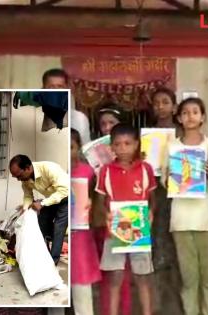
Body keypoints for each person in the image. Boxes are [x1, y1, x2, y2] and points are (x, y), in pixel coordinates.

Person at [95, 123, 157, 315]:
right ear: (111, 147)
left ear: (137, 144)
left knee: (142, 278)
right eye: (118, 144)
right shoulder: (105, 171)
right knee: (115, 277)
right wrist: (105, 214)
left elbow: (152, 199)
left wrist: (151, 212)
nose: (123, 149)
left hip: (139, 229)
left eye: (128, 143)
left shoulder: (145, 169)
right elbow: (99, 201)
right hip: (114, 230)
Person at [169, 97, 208, 315]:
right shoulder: (172, 146)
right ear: (179, 117)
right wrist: (174, 176)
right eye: (186, 112)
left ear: (203, 117)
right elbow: (164, 180)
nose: (190, 116)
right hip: (180, 220)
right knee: (189, 278)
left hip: (207, 219)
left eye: (195, 111)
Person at [94, 102, 132, 315]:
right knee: (107, 274)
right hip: (102, 221)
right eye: (103, 124)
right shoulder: (92, 153)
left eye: (112, 123)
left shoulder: (132, 158)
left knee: (123, 275)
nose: (107, 127)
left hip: (126, 220)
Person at [149, 87, 184, 315]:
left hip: (181, 196)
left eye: (165, 102)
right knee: (160, 250)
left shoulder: (184, 133)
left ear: (173, 106)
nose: (160, 106)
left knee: (180, 253)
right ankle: (162, 305)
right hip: (158, 196)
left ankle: (182, 305)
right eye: (156, 103)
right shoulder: (148, 136)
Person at [9, 155, 68, 265]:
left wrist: (42, 203)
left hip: (65, 198)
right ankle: (43, 253)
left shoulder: (49, 168)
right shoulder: (25, 179)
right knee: (41, 222)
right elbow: (28, 196)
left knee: (58, 229)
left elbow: (64, 191)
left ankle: (52, 262)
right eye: (16, 177)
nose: (18, 179)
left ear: (28, 168)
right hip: (51, 199)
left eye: (19, 176)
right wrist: (25, 209)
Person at [71, 128, 101, 315]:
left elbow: (97, 198)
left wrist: (91, 205)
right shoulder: (59, 172)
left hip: (82, 233)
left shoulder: (88, 171)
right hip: (63, 233)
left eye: (72, 147)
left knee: (81, 280)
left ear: (79, 147)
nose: (68, 151)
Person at [42, 68, 91, 143]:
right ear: (43, 89)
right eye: (51, 87)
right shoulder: (32, 117)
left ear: (68, 89)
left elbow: (84, 150)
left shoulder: (80, 119)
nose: (56, 91)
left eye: (60, 86)